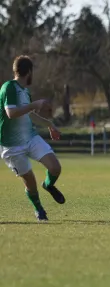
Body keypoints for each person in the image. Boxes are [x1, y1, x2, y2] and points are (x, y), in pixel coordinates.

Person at [0, 55, 64, 222]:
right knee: (29, 180)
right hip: (11, 145)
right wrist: (35, 104)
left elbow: (29, 116)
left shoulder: (25, 92)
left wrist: (49, 124)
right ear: (29, 72)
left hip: (30, 138)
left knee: (55, 167)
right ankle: (39, 209)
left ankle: (48, 185)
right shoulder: (9, 88)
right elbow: (11, 113)